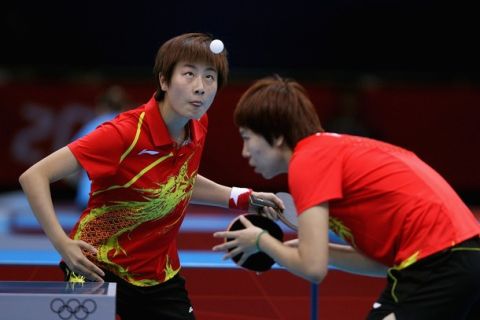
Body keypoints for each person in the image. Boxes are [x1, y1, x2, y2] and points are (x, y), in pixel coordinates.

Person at [19, 33, 282, 320]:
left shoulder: (197, 125)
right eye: (189, 74)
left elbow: (179, 182)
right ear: (164, 81)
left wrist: (242, 197)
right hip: (94, 264)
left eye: (210, 77)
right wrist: (61, 243)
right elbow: (35, 176)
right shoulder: (123, 134)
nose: (200, 88)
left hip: (158, 274)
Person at [213, 75, 480, 319]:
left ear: (278, 136)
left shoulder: (307, 162)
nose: (245, 152)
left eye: (247, 138)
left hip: (439, 260)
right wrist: (312, 250)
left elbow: (313, 270)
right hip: (464, 253)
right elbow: (380, 264)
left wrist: (261, 241)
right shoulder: (329, 151)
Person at [72, 85, 131, 209]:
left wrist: (83, 182)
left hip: (89, 198)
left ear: (101, 107)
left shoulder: (91, 127)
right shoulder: (133, 128)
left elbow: (69, 174)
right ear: (125, 106)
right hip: (123, 201)